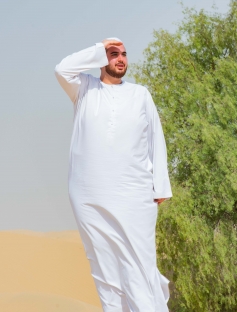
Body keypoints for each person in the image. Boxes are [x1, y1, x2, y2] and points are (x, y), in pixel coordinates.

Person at [54, 37, 172, 312]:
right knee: (103, 268)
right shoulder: (83, 88)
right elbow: (61, 69)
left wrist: (160, 187)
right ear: (100, 60)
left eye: (124, 54)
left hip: (134, 194)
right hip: (89, 195)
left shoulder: (140, 94)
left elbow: (156, 138)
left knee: (139, 266)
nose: (120, 59)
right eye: (113, 54)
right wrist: (99, 47)